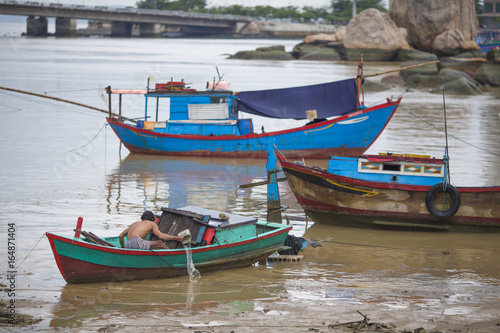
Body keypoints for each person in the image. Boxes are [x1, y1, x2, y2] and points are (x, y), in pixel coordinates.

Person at [119, 211, 184, 250]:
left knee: (149, 244)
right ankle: (172, 256)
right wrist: (176, 238)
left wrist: (123, 248)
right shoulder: (151, 224)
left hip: (127, 244)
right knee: (160, 243)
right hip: (136, 242)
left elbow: (121, 236)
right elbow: (161, 236)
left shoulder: (134, 223)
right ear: (152, 218)